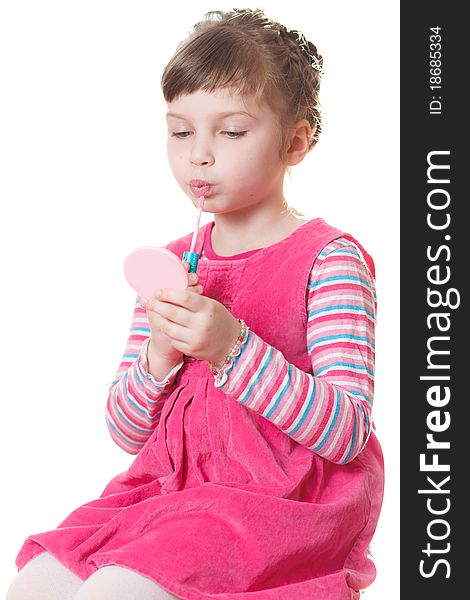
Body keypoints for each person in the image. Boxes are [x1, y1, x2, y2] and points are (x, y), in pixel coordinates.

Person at [7, 7, 384, 600]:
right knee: (35, 585)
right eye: (181, 132)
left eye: (230, 132)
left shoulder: (327, 260)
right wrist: (159, 354)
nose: (198, 155)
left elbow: (346, 433)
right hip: (169, 492)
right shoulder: (173, 261)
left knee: (117, 592)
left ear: (295, 142)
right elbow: (128, 433)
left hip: (276, 502)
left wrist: (230, 349)